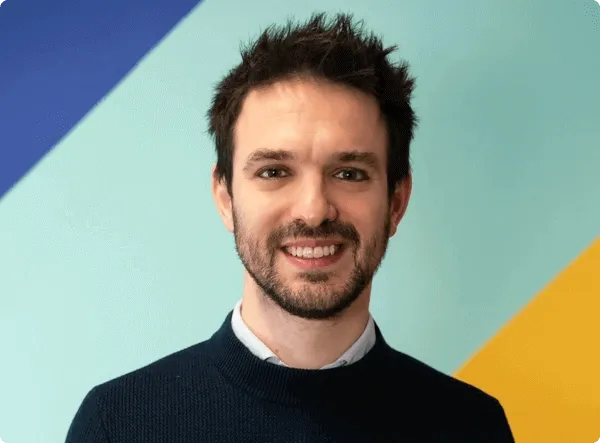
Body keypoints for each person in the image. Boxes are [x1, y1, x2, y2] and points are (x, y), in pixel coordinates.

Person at [66, 12, 515, 442]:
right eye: (274, 172)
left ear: (396, 202)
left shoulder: (473, 428)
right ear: (225, 197)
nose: (314, 210)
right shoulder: (118, 425)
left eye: (349, 173)